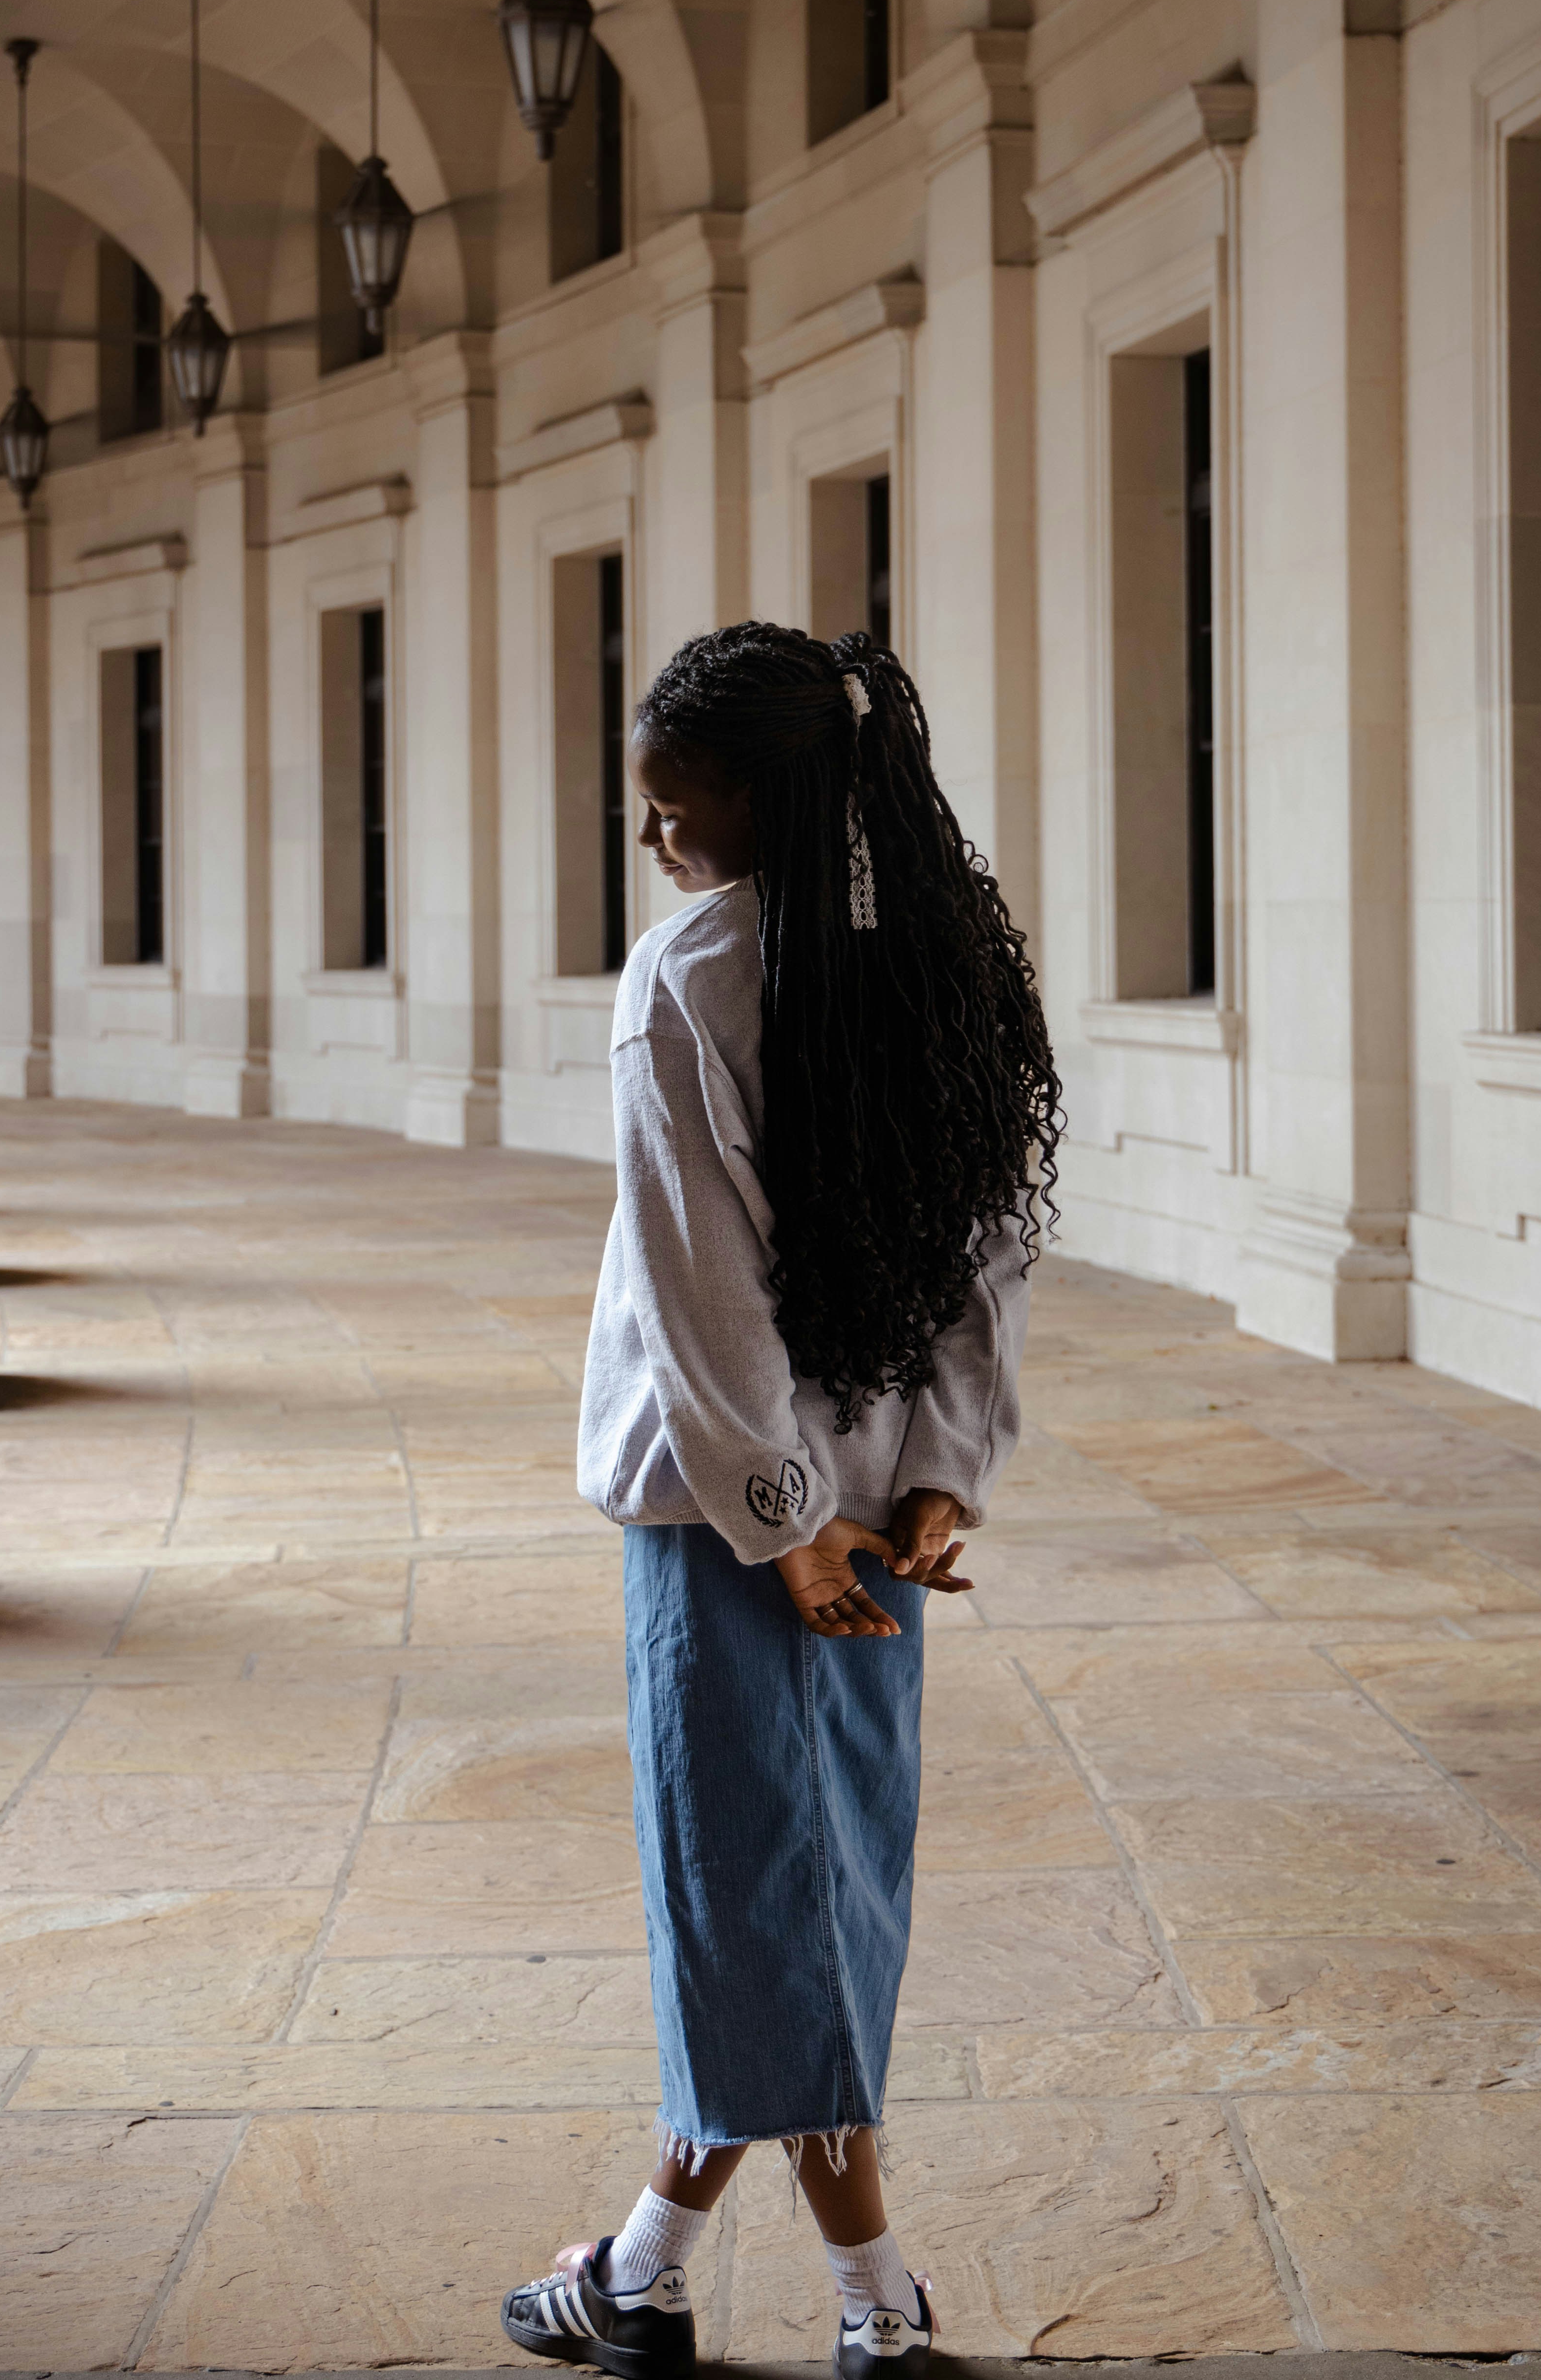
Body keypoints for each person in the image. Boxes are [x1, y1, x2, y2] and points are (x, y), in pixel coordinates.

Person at [500, 623, 1063, 2380]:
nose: (655, 843)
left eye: (672, 812)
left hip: (735, 1516)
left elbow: (696, 1286)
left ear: (754, 804)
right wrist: (942, 1470)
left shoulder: (690, 973)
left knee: (749, 1884)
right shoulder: (960, 967)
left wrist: (777, 1510)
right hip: (883, 1508)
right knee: (825, 1877)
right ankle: (651, 2261)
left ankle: (864, 2297)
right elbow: (998, 1248)